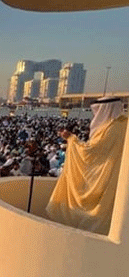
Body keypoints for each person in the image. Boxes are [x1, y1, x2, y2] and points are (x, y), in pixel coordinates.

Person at [46, 96, 128, 234]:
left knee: (93, 214)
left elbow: (89, 152)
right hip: (120, 177)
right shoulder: (124, 124)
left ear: (105, 110)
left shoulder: (111, 129)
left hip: (106, 178)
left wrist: (71, 138)